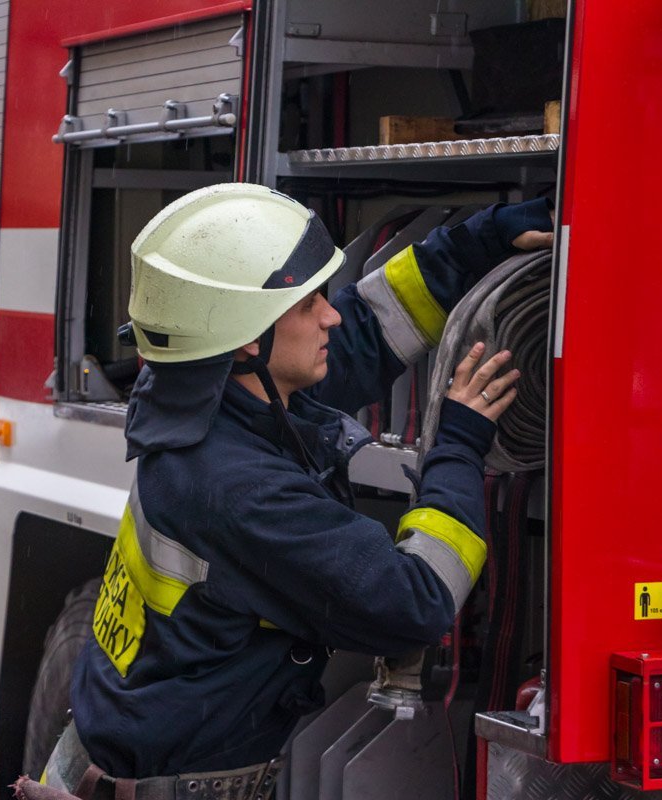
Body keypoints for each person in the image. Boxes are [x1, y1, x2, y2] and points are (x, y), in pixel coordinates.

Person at [39, 183, 554, 793]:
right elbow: (414, 604)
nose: (330, 314)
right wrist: (460, 445)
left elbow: (367, 329)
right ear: (249, 340)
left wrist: (481, 240)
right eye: (310, 303)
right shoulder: (234, 487)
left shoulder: (213, 396)